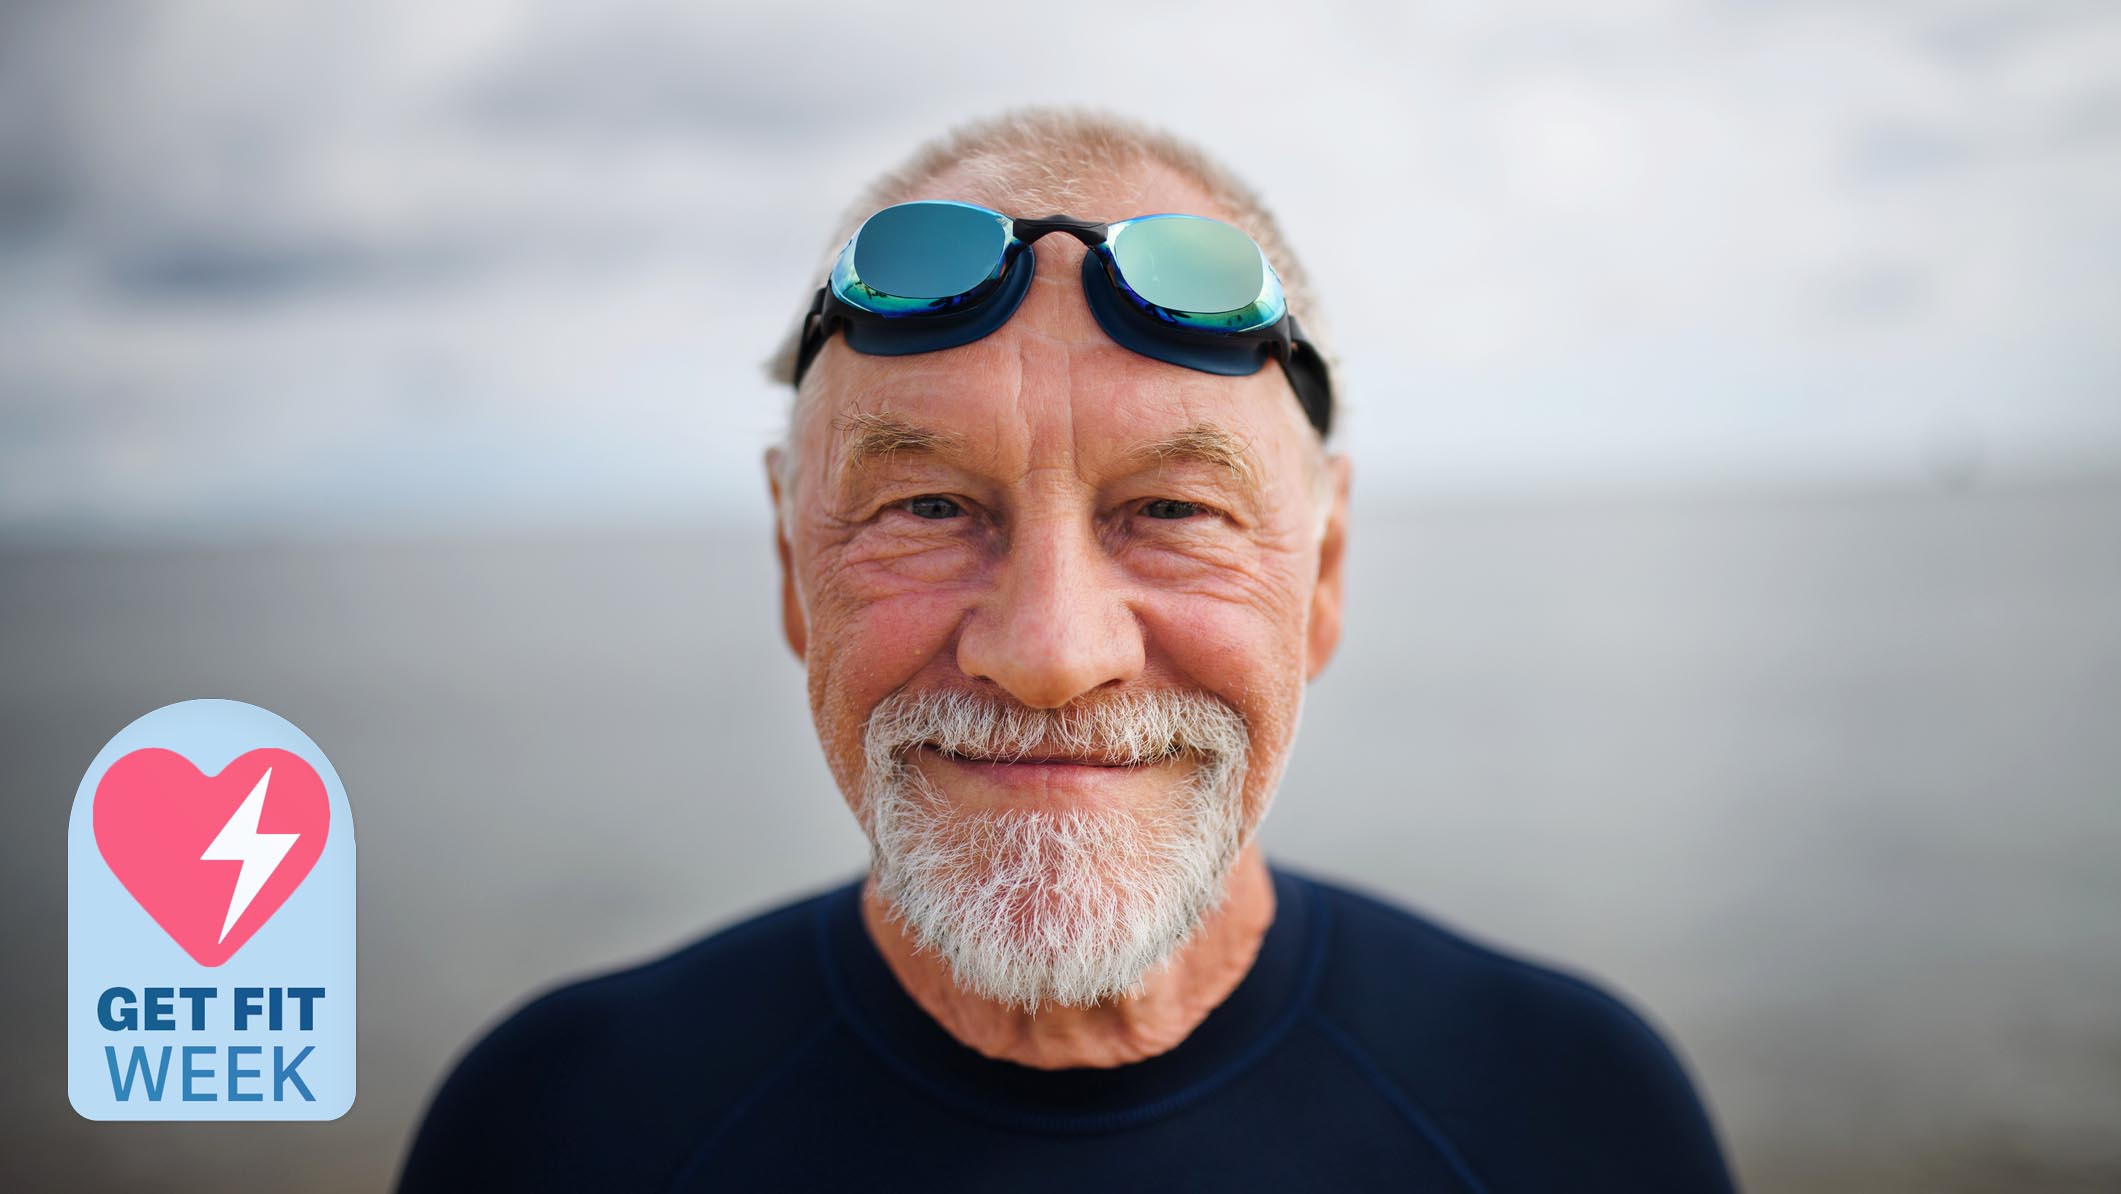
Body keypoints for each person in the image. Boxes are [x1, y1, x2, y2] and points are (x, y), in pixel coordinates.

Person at [398, 107, 1737, 1193]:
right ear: (791, 569)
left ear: (1319, 578)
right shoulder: (559, 1123)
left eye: (1170, 510)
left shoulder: (1566, 1110)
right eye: (927, 507)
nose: (1047, 651)